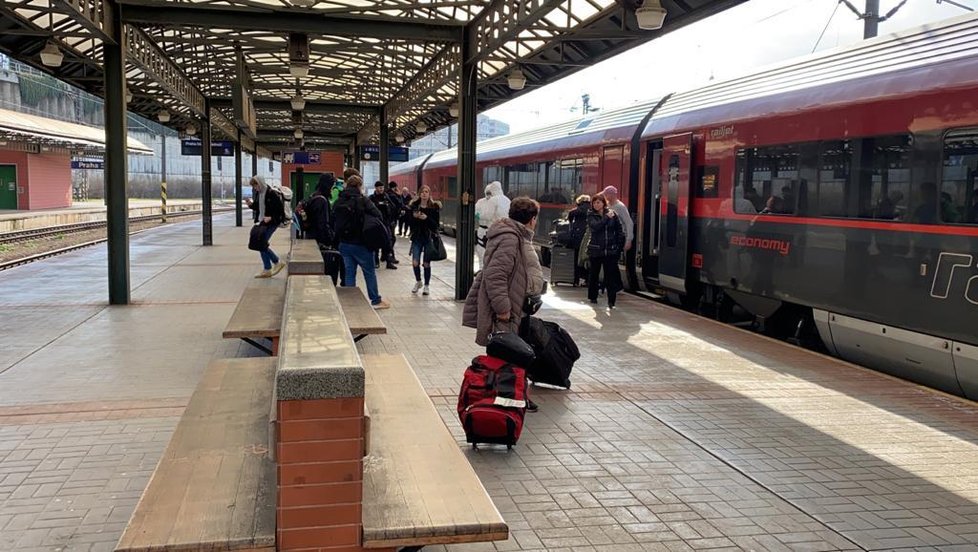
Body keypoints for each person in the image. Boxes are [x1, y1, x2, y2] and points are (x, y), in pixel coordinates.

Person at [462, 196, 543, 344]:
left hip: (517, 307)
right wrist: (503, 309)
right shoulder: (510, 238)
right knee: (506, 358)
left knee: (513, 358)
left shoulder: (516, 236)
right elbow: (495, 275)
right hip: (508, 313)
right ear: (532, 219)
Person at [333, 174, 391, 310]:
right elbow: (378, 215)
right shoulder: (363, 200)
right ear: (359, 186)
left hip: (344, 244)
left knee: (349, 272)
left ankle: (350, 302)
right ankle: (375, 300)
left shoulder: (340, 200)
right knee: (369, 272)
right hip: (361, 244)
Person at [586, 193, 624, 309]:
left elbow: (619, 230)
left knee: (610, 276)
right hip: (596, 250)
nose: (596, 205)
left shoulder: (614, 215)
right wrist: (607, 217)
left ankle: (611, 301)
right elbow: (596, 227)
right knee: (594, 274)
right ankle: (593, 297)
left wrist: (618, 246)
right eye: (594, 202)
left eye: (599, 202)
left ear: (603, 203)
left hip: (610, 250)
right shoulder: (591, 215)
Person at [246, 175, 287, 278]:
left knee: (261, 243)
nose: (255, 188)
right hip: (262, 222)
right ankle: (269, 267)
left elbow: (280, 211)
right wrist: (250, 204)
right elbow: (257, 207)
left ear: (260, 183)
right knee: (261, 243)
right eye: (254, 187)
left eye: (256, 186)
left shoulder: (271, 194)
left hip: (272, 223)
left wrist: (271, 218)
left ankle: (274, 264)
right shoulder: (259, 194)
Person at [407, 185, 441, 296]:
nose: (424, 194)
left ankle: (426, 285)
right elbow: (409, 223)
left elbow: (435, 226)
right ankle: (418, 281)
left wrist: (426, 218)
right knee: (415, 262)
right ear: (419, 194)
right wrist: (414, 217)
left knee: (426, 263)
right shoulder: (414, 206)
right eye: (422, 192)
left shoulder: (434, 208)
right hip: (417, 237)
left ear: (429, 194)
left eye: (426, 192)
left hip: (428, 238)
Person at [307, 173, 340, 284]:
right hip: (320, 241)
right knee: (326, 270)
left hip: (312, 237)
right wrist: (331, 239)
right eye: (331, 186)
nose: (332, 189)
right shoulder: (322, 200)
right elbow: (323, 224)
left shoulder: (314, 196)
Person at [474, 181, 510, 265]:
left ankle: (483, 269)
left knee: (484, 251)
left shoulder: (493, 200)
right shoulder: (507, 200)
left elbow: (486, 215)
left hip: (489, 230)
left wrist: (478, 215)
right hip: (504, 230)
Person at [369, 180, 398, 270]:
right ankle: (376, 261)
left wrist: (387, 206)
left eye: (382, 187)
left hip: (386, 222)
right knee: (376, 242)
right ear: (376, 188)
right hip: (376, 223)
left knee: (388, 242)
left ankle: (388, 261)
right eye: (380, 187)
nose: (381, 189)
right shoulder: (372, 198)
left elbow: (393, 207)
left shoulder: (386, 197)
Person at [600, 186, 634, 253]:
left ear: (613, 194)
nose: (605, 196)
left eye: (606, 194)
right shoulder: (606, 206)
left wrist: (629, 240)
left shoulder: (620, 207)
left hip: (618, 237)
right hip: (609, 237)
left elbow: (629, 223)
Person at [567, 194, 591, 285]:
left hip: (577, 238)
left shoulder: (576, 211)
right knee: (587, 259)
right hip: (588, 238)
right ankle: (587, 280)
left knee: (576, 259)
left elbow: (570, 217)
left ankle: (576, 280)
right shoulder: (592, 210)